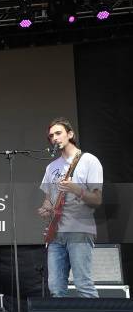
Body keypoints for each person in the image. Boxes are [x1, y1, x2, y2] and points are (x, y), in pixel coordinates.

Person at [37, 118, 103, 298]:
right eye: (51, 136)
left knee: (84, 285)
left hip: (80, 230)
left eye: (58, 133)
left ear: (70, 134)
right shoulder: (51, 167)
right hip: (56, 233)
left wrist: (76, 189)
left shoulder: (89, 160)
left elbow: (97, 199)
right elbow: (49, 200)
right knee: (56, 288)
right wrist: (45, 209)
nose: (54, 138)